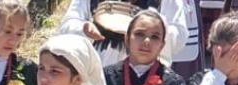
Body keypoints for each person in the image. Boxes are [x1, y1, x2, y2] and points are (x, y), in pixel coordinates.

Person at [61, 0, 189, 66]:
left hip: (144, 73)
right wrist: (83, 29)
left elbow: (180, 34)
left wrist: (154, 29)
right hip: (96, 69)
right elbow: (69, 23)